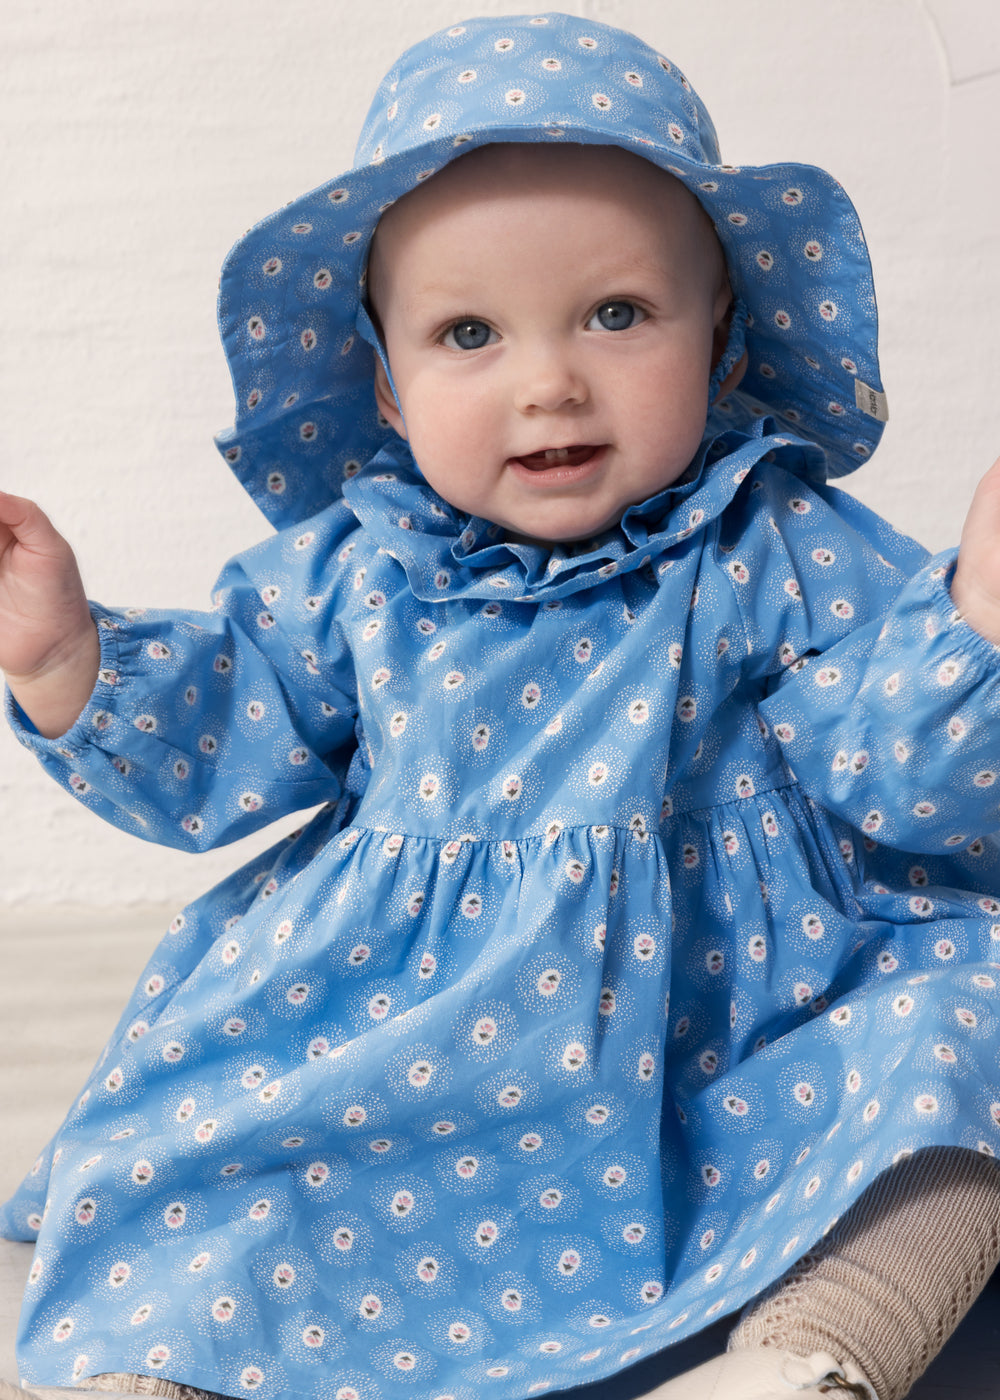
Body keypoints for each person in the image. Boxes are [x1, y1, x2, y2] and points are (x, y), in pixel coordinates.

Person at [1, 12, 999, 1400]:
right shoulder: (363, 573)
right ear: (389, 391)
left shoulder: (771, 540)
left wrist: (980, 615)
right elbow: (224, 730)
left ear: (720, 347)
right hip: (412, 1036)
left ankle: (814, 1352)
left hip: (741, 1030)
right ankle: (157, 1373)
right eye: (469, 332)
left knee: (965, 1031)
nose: (549, 380)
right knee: (227, 1164)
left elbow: (901, 773)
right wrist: (63, 656)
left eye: (616, 314)